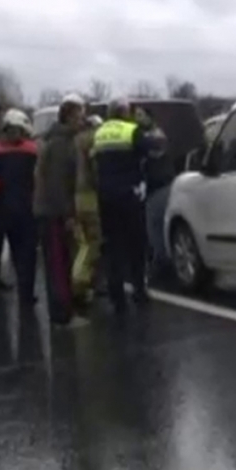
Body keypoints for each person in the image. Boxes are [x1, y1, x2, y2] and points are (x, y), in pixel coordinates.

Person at [91, 100, 162, 316]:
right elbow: (152, 149)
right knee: (135, 245)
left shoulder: (100, 133)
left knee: (113, 246)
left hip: (106, 196)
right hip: (130, 195)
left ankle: (116, 295)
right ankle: (139, 290)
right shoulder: (131, 130)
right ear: (124, 112)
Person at [34, 95, 87, 328]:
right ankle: (62, 315)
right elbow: (57, 183)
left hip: (53, 210)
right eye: (79, 117)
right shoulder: (60, 144)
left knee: (61, 262)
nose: (82, 121)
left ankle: (63, 310)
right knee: (58, 264)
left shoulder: (61, 140)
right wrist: (67, 215)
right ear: (68, 118)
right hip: (53, 212)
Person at [0, 109, 38, 306]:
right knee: (27, 254)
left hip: (3, 209)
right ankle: (27, 294)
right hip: (27, 209)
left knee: (15, 252)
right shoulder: (33, 151)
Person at [72, 114, 103, 309]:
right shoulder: (92, 142)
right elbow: (95, 171)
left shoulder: (72, 141)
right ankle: (80, 286)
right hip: (88, 196)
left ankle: (82, 284)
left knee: (80, 243)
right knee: (92, 243)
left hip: (73, 198)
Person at [137, 108, 172, 283]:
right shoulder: (145, 135)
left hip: (160, 186)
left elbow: (154, 153)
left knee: (155, 227)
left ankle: (161, 264)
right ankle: (159, 261)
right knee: (153, 227)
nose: (137, 118)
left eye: (140, 115)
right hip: (153, 187)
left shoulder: (155, 136)